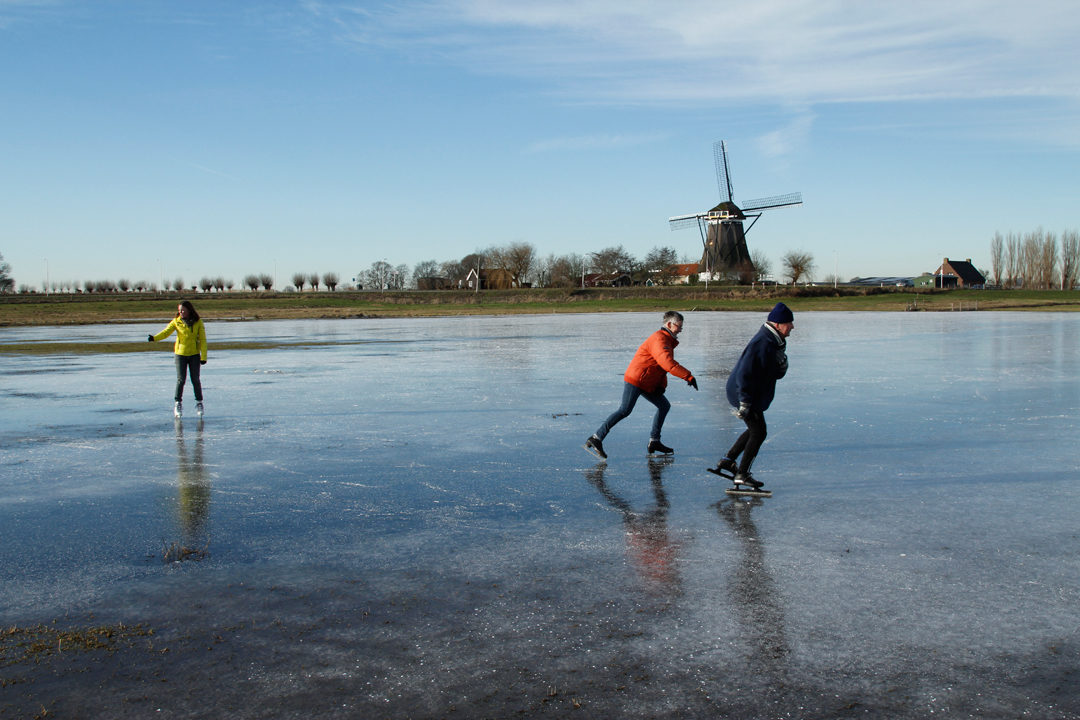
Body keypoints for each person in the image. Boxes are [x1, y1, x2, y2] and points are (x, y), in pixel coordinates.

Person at [585, 311, 698, 460]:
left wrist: (661, 385)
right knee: (625, 410)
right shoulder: (660, 339)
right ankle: (596, 437)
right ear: (669, 324)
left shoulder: (667, 339)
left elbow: (660, 368)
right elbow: (667, 363)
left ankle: (654, 441)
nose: (680, 330)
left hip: (647, 382)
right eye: (679, 326)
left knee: (664, 406)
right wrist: (688, 376)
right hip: (636, 379)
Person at [710, 302, 793, 490]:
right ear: (778, 324)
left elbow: (771, 371)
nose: (792, 327)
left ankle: (727, 461)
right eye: (789, 323)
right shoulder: (762, 342)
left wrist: (781, 367)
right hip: (744, 392)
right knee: (759, 432)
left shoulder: (773, 342)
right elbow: (744, 373)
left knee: (754, 430)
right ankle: (742, 474)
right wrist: (745, 401)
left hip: (749, 392)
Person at [149, 300, 208, 418]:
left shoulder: (198, 322)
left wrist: (203, 356)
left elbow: (203, 340)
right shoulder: (176, 322)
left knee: (195, 380)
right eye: (179, 310)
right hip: (180, 354)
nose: (180, 312)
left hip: (194, 355)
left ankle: (199, 403)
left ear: (189, 310)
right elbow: (166, 332)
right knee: (181, 380)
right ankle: (178, 404)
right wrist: (154, 338)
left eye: (183, 310)